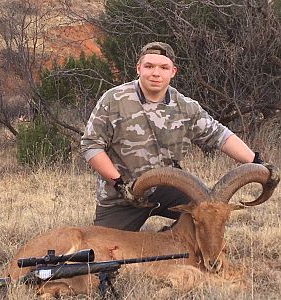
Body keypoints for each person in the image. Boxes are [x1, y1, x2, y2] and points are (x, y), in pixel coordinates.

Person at [81, 41, 276, 232]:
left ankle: (171, 241)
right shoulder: (114, 100)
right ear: (138, 68)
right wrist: (119, 183)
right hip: (123, 195)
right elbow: (91, 146)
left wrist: (258, 163)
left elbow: (220, 135)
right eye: (149, 66)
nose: (156, 73)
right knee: (105, 259)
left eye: (163, 67)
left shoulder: (186, 106)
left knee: (207, 216)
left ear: (173, 72)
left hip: (167, 187)